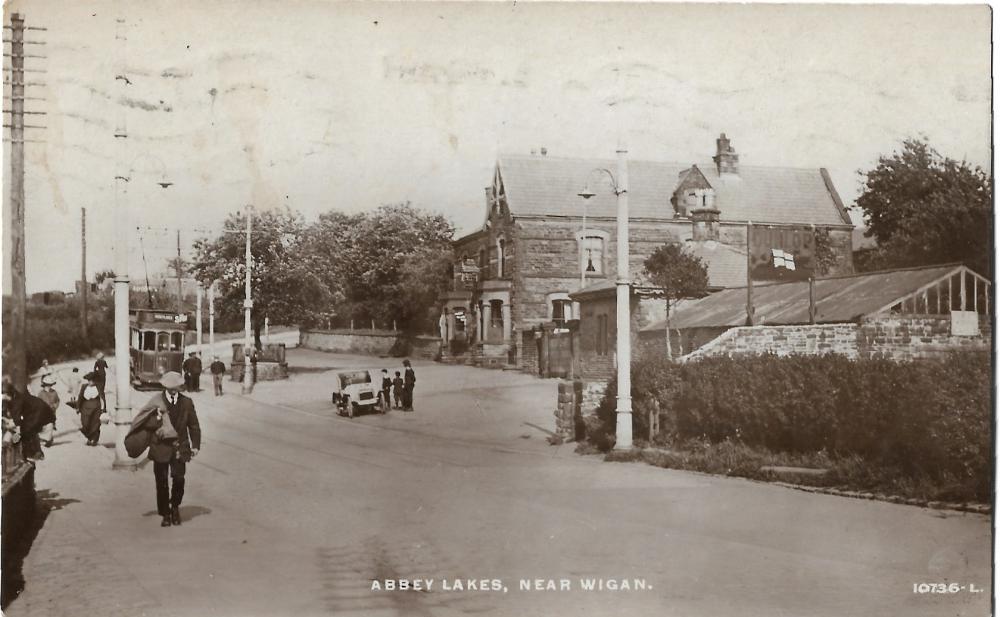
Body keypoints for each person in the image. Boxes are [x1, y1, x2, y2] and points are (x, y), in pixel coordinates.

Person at [132, 371, 201, 527]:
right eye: (170, 387)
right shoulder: (156, 401)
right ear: (165, 386)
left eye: (176, 386)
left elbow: (194, 425)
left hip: (180, 447)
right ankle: (165, 514)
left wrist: (195, 445)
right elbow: (144, 423)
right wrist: (156, 419)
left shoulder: (187, 402)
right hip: (160, 447)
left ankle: (175, 507)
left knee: (179, 479)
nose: (174, 389)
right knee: (161, 482)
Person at [2, 381, 55, 461]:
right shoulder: (14, 397)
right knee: (25, 430)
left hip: (40, 413)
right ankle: (34, 452)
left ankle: (33, 454)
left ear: (6, 394)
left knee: (25, 431)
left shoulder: (17, 400)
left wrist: (14, 438)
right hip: (38, 412)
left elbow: (18, 422)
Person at [77, 373, 103, 446]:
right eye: (88, 380)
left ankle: (93, 439)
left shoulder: (99, 387)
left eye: (91, 381)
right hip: (85, 407)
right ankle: (89, 437)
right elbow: (80, 397)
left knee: (95, 424)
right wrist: (78, 407)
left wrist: (104, 408)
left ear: (95, 381)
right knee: (85, 423)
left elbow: (103, 398)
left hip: (96, 407)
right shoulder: (84, 386)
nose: (90, 382)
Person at [37, 375, 60, 448]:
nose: (49, 387)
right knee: (44, 425)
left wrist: (55, 406)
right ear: (44, 386)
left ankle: (49, 439)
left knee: (51, 425)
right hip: (43, 413)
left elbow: (57, 401)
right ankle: (46, 438)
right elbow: (38, 402)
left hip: (52, 412)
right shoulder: (41, 393)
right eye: (47, 385)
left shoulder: (54, 392)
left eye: (50, 385)